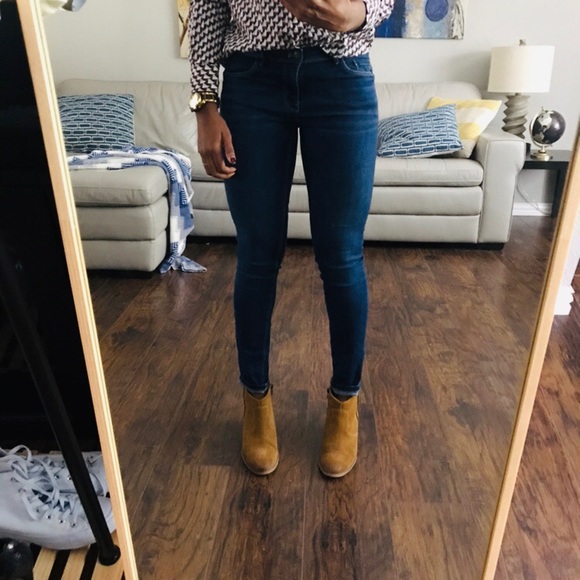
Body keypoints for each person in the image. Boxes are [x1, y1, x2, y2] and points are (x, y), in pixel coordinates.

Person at [188, 0, 394, 478]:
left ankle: (345, 402)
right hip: (251, 81)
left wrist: (362, 11)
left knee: (342, 256)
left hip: (342, 75)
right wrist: (204, 104)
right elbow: (207, 9)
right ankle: (255, 400)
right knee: (257, 255)